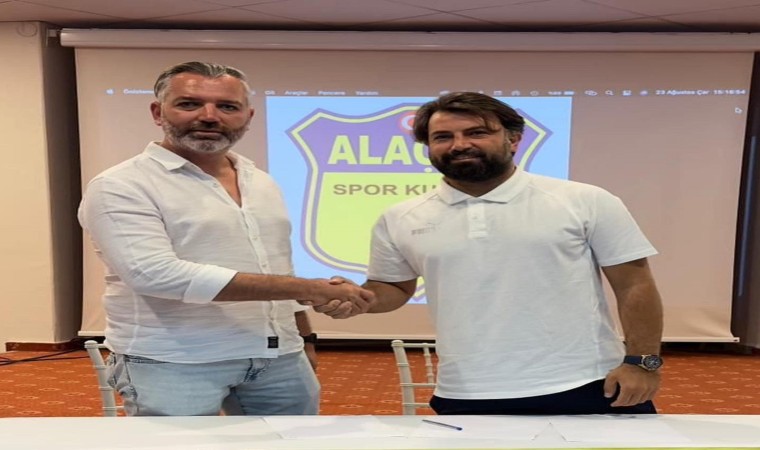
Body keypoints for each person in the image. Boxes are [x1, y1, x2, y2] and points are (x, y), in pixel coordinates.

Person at [314, 92, 664, 415]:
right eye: (443, 137)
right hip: (465, 391)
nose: (460, 145)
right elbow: (394, 288)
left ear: (513, 139)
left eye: (477, 133)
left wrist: (642, 363)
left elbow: (634, 284)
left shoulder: (585, 200)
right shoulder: (400, 217)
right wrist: (359, 300)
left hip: (589, 383)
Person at [78, 61, 375, 416]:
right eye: (189, 104)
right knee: (182, 446)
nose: (209, 116)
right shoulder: (120, 185)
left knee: (291, 442)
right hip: (173, 361)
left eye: (227, 106)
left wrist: (303, 337)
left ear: (248, 117)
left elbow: (276, 265)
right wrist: (310, 288)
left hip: (279, 357)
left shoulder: (259, 180)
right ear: (158, 112)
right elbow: (154, 274)